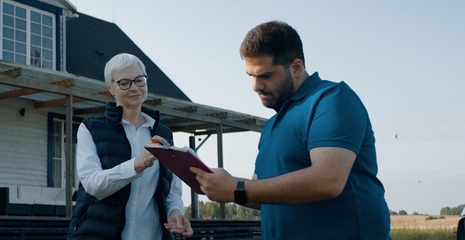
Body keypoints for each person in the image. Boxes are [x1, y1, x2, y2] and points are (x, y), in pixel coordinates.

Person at [190, 20, 391, 239]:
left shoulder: (331, 99)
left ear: (296, 67)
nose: (255, 86)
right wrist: (220, 185)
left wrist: (236, 188)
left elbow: (328, 180)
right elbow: (262, 192)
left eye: (265, 75)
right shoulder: (270, 127)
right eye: (251, 76)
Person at [67, 53, 193, 239]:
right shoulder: (91, 128)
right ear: (111, 88)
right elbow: (93, 185)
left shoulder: (164, 133)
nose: (135, 88)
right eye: (124, 82)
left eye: (139, 80)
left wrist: (174, 212)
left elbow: (172, 191)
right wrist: (137, 165)